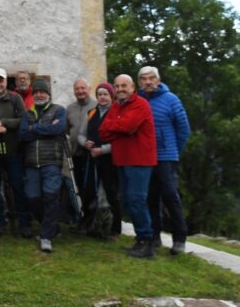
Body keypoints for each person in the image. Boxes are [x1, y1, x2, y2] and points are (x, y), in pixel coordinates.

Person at [99, 74, 157, 258]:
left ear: (132, 87)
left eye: (124, 85)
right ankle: (140, 239)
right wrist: (121, 128)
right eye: (117, 86)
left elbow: (128, 126)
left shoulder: (141, 104)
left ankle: (148, 241)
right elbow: (103, 131)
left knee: (137, 200)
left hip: (139, 160)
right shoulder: (116, 106)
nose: (120, 89)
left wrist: (118, 127)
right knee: (127, 200)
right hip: (122, 159)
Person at [138, 66, 191, 255]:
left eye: (152, 78)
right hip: (145, 157)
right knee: (150, 198)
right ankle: (154, 236)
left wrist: (174, 152)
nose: (148, 82)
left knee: (170, 196)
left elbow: (183, 129)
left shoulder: (171, 100)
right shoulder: (138, 101)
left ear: (158, 80)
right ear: (139, 83)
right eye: (144, 79)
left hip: (166, 157)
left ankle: (179, 238)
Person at [19, 78, 68, 253]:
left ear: (48, 94)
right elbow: (23, 134)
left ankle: (46, 236)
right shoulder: (28, 113)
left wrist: (35, 128)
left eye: (43, 92)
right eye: (37, 92)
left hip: (51, 162)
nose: (39, 95)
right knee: (32, 197)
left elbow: (59, 129)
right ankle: (52, 227)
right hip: (31, 163)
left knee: (50, 197)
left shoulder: (59, 110)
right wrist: (45, 127)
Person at [0, 68, 31, 238]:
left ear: (5, 82)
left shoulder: (15, 98)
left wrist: (4, 123)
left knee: (18, 187)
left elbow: (23, 120)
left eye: (0, 80)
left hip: (13, 151)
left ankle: (24, 223)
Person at [79, 82, 122, 239]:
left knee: (112, 193)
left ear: (111, 96)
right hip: (91, 159)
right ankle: (89, 225)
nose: (102, 97)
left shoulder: (117, 113)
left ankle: (114, 229)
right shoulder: (91, 113)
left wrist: (102, 149)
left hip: (111, 159)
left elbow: (120, 140)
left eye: (106, 94)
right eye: (100, 94)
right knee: (89, 192)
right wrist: (86, 144)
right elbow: (81, 135)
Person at [67, 78, 97, 211]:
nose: (80, 91)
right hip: (75, 154)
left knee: (91, 187)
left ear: (89, 89)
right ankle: (81, 216)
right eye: (77, 89)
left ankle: (92, 218)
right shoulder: (70, 109)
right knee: (77, 186)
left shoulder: (96, 106)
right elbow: (67, 129)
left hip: (92, 155)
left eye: (83, 88)